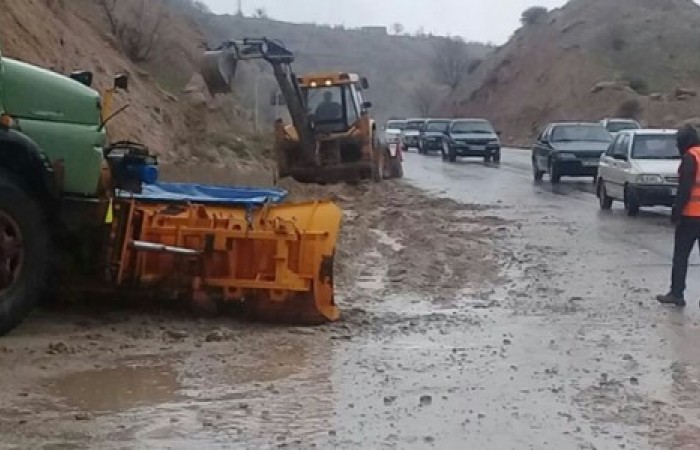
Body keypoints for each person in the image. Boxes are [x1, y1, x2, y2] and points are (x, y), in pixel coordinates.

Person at [657, 124, 700, 307]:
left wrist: (676, 212)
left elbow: (685, 188)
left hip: (690, 216)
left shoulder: (690, 158)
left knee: (681, 256)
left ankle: (677, 293)